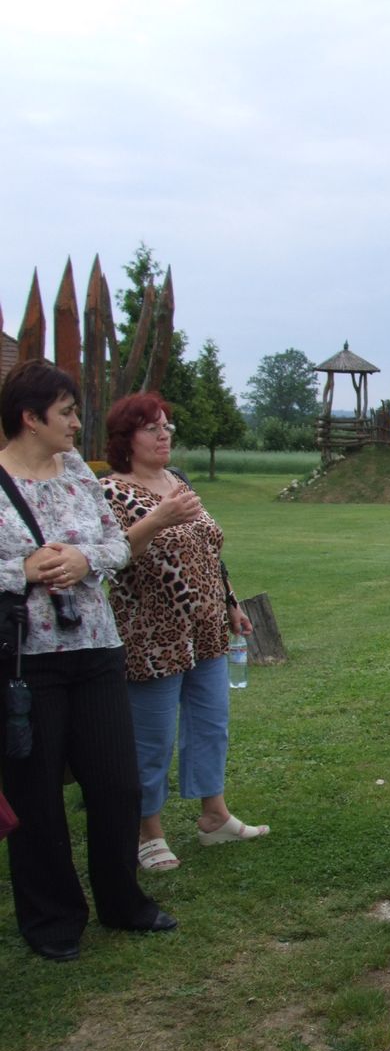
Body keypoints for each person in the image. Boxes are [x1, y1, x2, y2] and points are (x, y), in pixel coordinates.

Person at [0, 361, 176, 960]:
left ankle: (124, 903)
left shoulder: (77, 470)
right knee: (37, 796)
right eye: (67, 412)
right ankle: (52, 921)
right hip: (27, 662)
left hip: (97, 647)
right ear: (30, 417)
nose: (77, 423)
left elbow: (114, 543)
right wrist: (21, 570)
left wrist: (84, 561)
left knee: (116, 784)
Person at [102, 393, 268, 870]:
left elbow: (208, 550)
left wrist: (231, 602)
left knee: (211, 725)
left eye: (167, 427)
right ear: (125, 439)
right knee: (152, 738)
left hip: (208, 629)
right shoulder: (110, 491)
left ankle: (214, 816)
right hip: (153, 635)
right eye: (151, 428)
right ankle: (147, 831)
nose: (164, 435)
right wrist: (158, 519)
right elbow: (113, 558)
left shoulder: (178, 480)